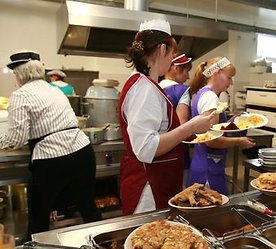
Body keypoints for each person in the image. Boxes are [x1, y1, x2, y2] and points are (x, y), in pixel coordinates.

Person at [0, 51, 102, 237]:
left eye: (15, 73)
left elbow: (16, 139)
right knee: (88, 208)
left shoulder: (20, 96)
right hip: (82, 151)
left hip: (52, 159)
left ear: (20, 74)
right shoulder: (53, 89)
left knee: (39, 217)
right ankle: (105, 248)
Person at [120, 18, 213, 215]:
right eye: (172, 53)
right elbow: (146, 149)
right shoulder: (144, 89)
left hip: (155, 182)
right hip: (149, 188)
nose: (172, 59)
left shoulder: (143, 83)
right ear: (162, 49)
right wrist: (190, 127)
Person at [188, 57, 256, 195]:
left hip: (206, 163)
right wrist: (239, 141)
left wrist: (232, 121)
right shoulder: (210, 98)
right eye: (229, 77)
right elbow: (211, 141)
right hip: (208, 169)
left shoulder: (204, 94)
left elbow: (212, 128)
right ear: (217, 72)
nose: (231, 82)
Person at [159, 53, 193, 187]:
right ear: (176, 68)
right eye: (186, 70)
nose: (188, 76)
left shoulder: (155, 87)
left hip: (157, 150)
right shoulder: (181, 91)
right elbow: (182, 126)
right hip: (176, 152)